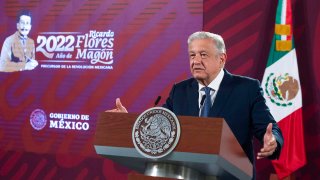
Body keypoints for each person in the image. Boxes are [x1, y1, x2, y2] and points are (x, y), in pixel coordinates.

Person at [107, 31, 284, 178]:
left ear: (222, 59)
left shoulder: (247, 89)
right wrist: (128, 124)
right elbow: (159, 123)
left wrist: (273, 141)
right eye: (192, 55)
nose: (196, 61)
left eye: (203, 55)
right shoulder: (180, 91)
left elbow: (269, 128)